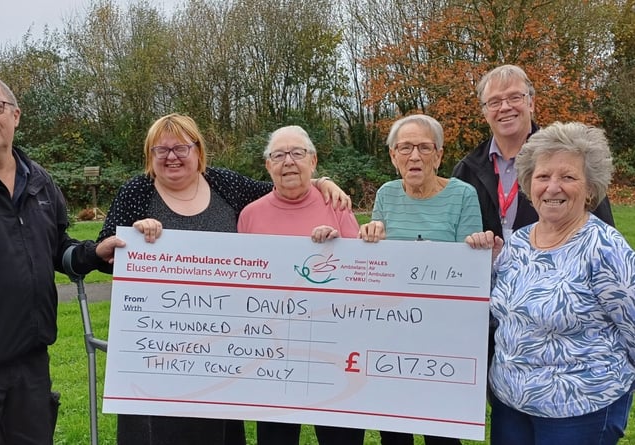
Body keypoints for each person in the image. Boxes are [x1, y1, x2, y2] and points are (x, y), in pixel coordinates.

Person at [94, 113, 351, 445]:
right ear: (150, 155)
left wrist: (322, 181)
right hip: (159, 343)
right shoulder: (137, 191)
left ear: (198, 152)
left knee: (216, 427)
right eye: (161, 149)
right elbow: (105, 251)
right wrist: (132, 239)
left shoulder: (224, 184)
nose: (171, 156)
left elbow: (284, 183)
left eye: (181, 147)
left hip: (221, 345)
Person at [0, 72, 122, 445]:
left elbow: (58, 250)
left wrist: (94, 253)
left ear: (15, 115)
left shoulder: (39, 181)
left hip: (31, 364)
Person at [465, 121, 635, 445]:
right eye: (543, 176)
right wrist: (485, 266)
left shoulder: (605, 248)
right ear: (529, 183)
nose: (552, 187)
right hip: (510, 403)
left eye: (568, 177)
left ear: (590, 188)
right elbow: (501, 310)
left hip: (580, 409)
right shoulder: (518, 242)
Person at [237, 125, 364, 445]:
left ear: (313, 160)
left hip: (333, 349)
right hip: (273, 352)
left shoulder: (337, 206)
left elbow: (361, 276)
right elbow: (243, 285)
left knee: (341, 438)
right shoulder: (250, 216)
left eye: (297, 153)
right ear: (268, 165)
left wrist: (337, 254)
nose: (288, 162)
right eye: (278, 155)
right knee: (275, 438)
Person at [359, 114, 481, 445]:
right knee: (394, 432)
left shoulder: (462, 195)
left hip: (443, 335)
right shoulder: (386, 194)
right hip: (392, 332)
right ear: (392, 155)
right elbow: (379, 261)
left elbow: (469, 269)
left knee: (440, 433)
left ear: (439, 155)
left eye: (425, 147)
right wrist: (371, 237)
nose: (415, 156)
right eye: (406, 147)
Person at [452, 64, 614, 242]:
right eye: (494, 102)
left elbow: (603, 232)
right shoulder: (467, 169)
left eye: (515, 98)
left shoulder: (570, 157)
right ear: (485, 112)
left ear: (531, 103)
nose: (505, 107)